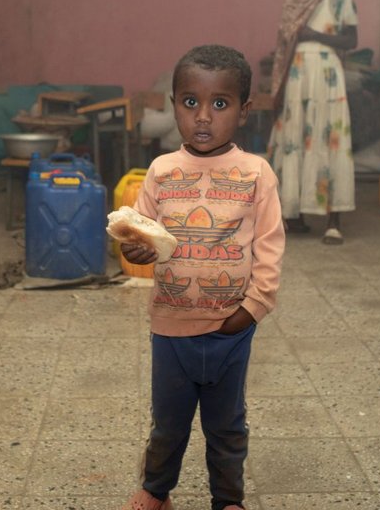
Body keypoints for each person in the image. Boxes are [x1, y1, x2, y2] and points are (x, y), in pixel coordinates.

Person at [120, 45, 285, 510]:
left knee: (227, 424)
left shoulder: (256, 174)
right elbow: (143, 234)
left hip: (231, 329)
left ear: (244, 110)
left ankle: (227, 498)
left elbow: (270, 248)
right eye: (190, 102)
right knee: (167, 423)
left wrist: (251, 309)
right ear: (174, 104)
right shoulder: (161, 171)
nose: (203, 117)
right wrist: (136, 248)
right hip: (170, 327)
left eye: (220, 103)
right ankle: (156, 490)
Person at [267, 0, 358, 245]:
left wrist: (315, 35)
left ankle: (334, 221)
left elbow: (351, 40)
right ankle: (296, 214)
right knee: (295, 139)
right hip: (296, 74)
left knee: (328, 138)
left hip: (326, 76)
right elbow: (283, 45)